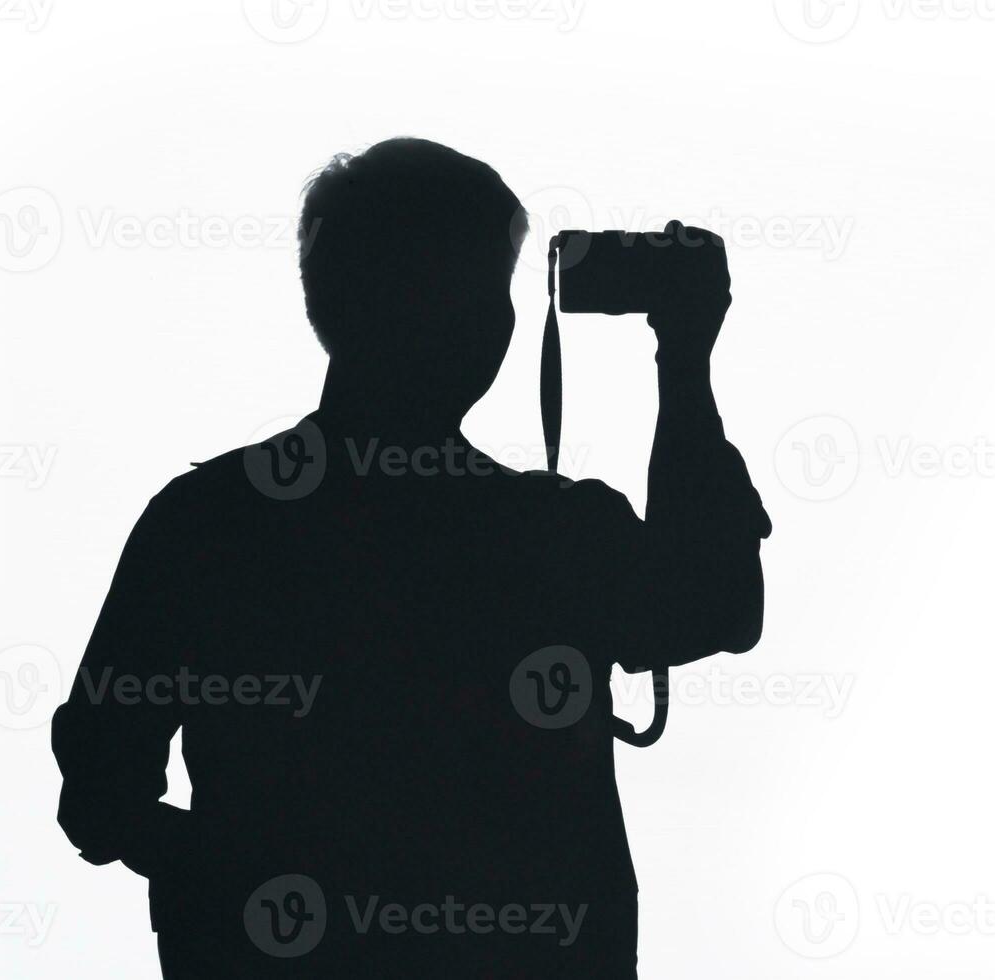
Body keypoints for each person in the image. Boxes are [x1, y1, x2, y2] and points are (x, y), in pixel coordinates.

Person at [51, 137, 770, 978]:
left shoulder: (207, 524)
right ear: (463, 314)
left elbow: (101, 797)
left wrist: (246, 883)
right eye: (492, 287)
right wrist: (684, 357)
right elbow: (716, 600)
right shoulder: (551, 535)